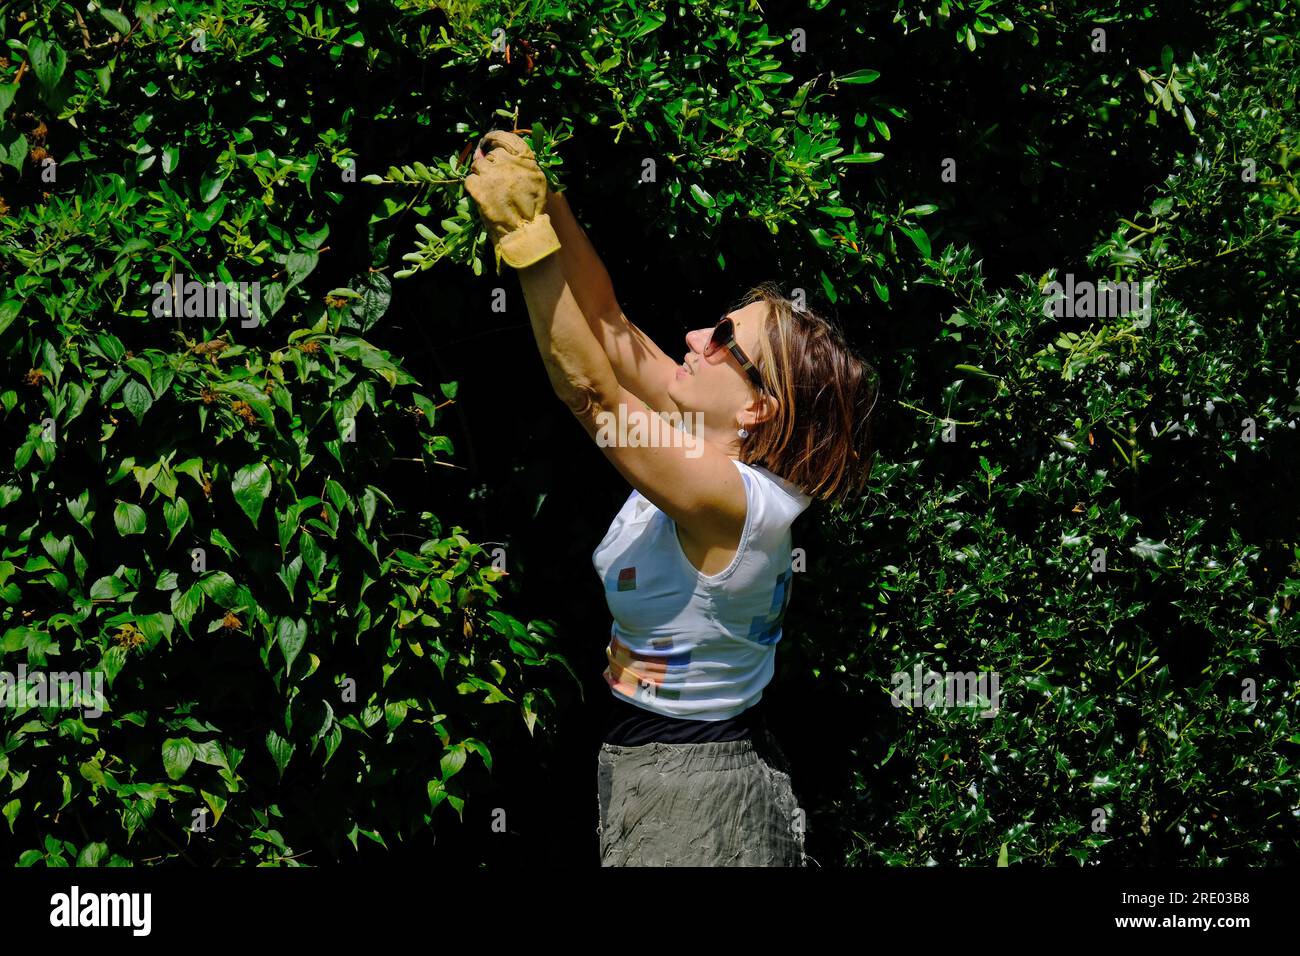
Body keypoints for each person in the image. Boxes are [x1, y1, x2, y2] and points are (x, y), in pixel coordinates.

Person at [464, 130, 880, 866]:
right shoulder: (714, 446)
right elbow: (612, 331)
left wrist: (525, 240)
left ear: (759, 408)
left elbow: (593, 392)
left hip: (695, 801)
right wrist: (547, 196)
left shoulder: (735, 504)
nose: (695, 336)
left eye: (724, 338)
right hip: (676, 776)